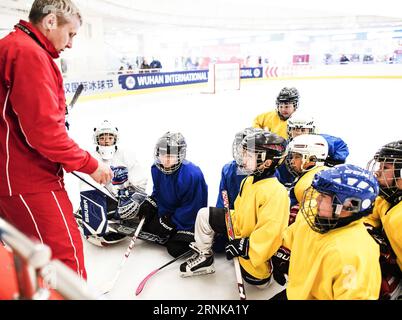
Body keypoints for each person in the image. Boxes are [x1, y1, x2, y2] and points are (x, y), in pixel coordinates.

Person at [0, 0, 112, 279]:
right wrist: (90, 164)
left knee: (30, 263)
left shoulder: (14, 46)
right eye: (71, 33)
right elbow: (44, 134)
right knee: (66, 264)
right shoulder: (29, 53)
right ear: (50, 21)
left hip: (13, 180)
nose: (71, 44)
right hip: (29, 181)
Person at [180, 131, 290, 288]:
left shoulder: (276, 192)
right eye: (244, 154)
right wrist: (226, 229)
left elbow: (271, 233)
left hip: (256, 250)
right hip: (239, 227)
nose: (243, 160)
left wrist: (245, 245)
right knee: (204, 215)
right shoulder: (249, 180)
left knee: (257, 281)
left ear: (267, 162)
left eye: (249, 156)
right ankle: (205, 258)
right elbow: (239, 211)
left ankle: (266, 271)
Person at [280, 164, 381, 299]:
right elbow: (289, 237)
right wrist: (278, 252)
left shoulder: (355, 254)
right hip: (296, 292)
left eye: (323, 196)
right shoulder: (315, 218)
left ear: (349, 206)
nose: (316, 199)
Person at [76, 120, 148, 247]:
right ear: (96, 139)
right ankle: (88, 215)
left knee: (147, 208)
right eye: (102, 138)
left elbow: (139, 180)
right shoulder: (91, 158)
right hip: (105, 200)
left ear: (115, 139)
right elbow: (87, 186)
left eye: (110, 137)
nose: (106, 141)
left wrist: (134, 199)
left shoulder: (126, 154)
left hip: (125, 198)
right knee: (97, 223)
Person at [138, 132, 208, 258]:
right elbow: (158, 192)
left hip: (188, 220)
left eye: (171, 155)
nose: (166, 159)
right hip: (167, 212)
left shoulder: (192, 175)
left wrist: (171, 222)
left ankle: (176, 234)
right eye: (163, 155)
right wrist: (152, 201)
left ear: (180, 155)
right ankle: (167, 231)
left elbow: (193, 207)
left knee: (176, 249)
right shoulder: (156, 168)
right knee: (146, 225)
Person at [365, 140, 402, 299]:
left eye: (385, 168)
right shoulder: (386, 198)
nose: (378, 172)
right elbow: (368, 217)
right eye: (379, 166)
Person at [275, 111, 349, 188]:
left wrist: (333, 161)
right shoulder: (284, 146)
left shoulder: (320, 141)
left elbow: (340, 146)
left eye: (303, 130)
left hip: (313, 180)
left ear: (311, 130)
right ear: (289, 131)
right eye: (295, 129)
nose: (299, 133)